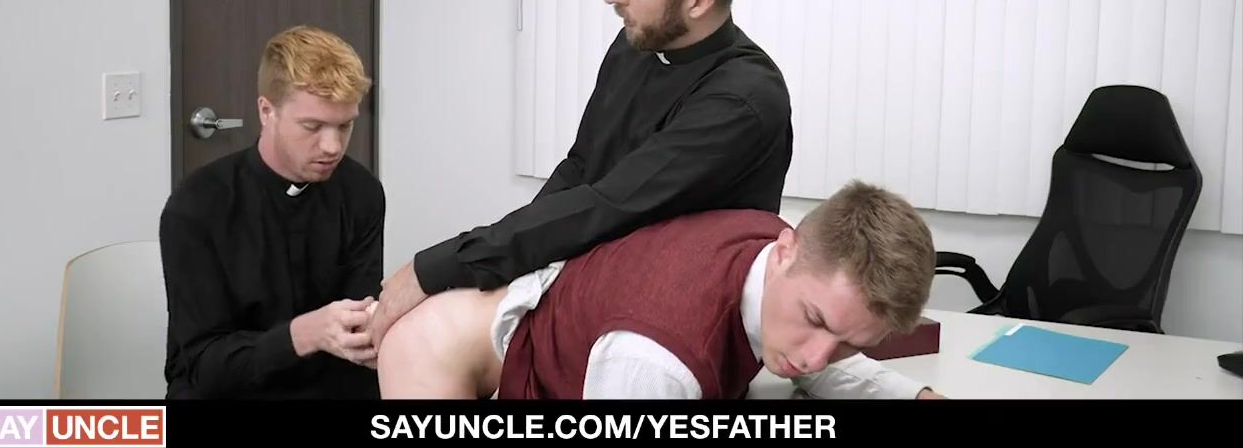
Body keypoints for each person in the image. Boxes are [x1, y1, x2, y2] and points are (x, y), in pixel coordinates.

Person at [370, 0, 794, 348]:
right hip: (600, 281)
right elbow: (581, 168)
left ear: (697, 2)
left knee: (431, 334)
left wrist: (438, 266)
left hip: (676, 324)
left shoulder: (742, 101)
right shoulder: (637, 46)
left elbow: (609, 204)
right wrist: (492, 268)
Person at [376, 180, 942, 400]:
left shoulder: (775, 250)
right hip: (443, 351)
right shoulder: (655, 361)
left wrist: (914, 397)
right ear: (786, 252)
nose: (816, 358)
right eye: (815, 320)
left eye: (847, 343)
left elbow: (816, 357)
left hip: (556, 321)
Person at [159, 25, 386, 399]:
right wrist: (304, 334)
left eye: (345, 125)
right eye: (312, 126)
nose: (333, 146)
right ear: (267, 111)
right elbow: (203, 365)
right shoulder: (197, 206)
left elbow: (356, 323)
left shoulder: (361, 192)